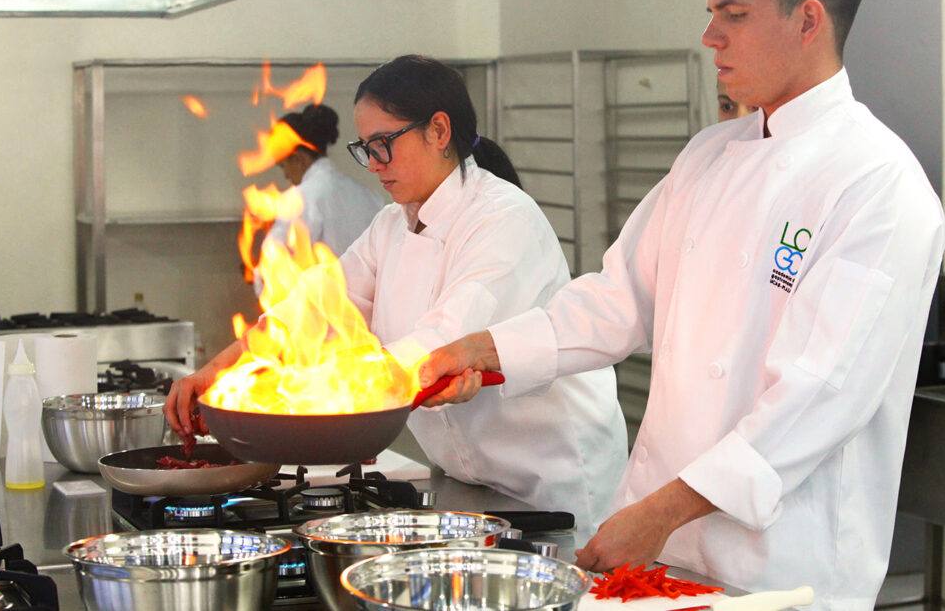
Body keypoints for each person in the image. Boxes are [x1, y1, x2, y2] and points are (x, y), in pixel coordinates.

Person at [417, 0, 945, 610]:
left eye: (734, 14)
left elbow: (817, 399)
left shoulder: (879, 185)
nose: (709, 36)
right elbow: (614, 300)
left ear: (808, 19)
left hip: (782, 572)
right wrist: (481, 350)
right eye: (711, 13)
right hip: (665, 555)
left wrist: (660, 512)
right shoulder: (707, 156)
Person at [166, 55, 630, 543]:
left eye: (384, 144)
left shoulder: (503, 219)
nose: (374, 164)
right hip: (467, 478)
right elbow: (314, 308)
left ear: (438, 130)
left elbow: (439, 343)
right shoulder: (392, 224)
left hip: (552, 484)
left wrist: (312, 406)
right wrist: (216, 372)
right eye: (365, 149)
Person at [260, 104, 384, 267]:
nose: (286, 176)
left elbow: (274, 264)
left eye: (283, 166)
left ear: (299, 159)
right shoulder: (371, 198)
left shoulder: (298, 200)